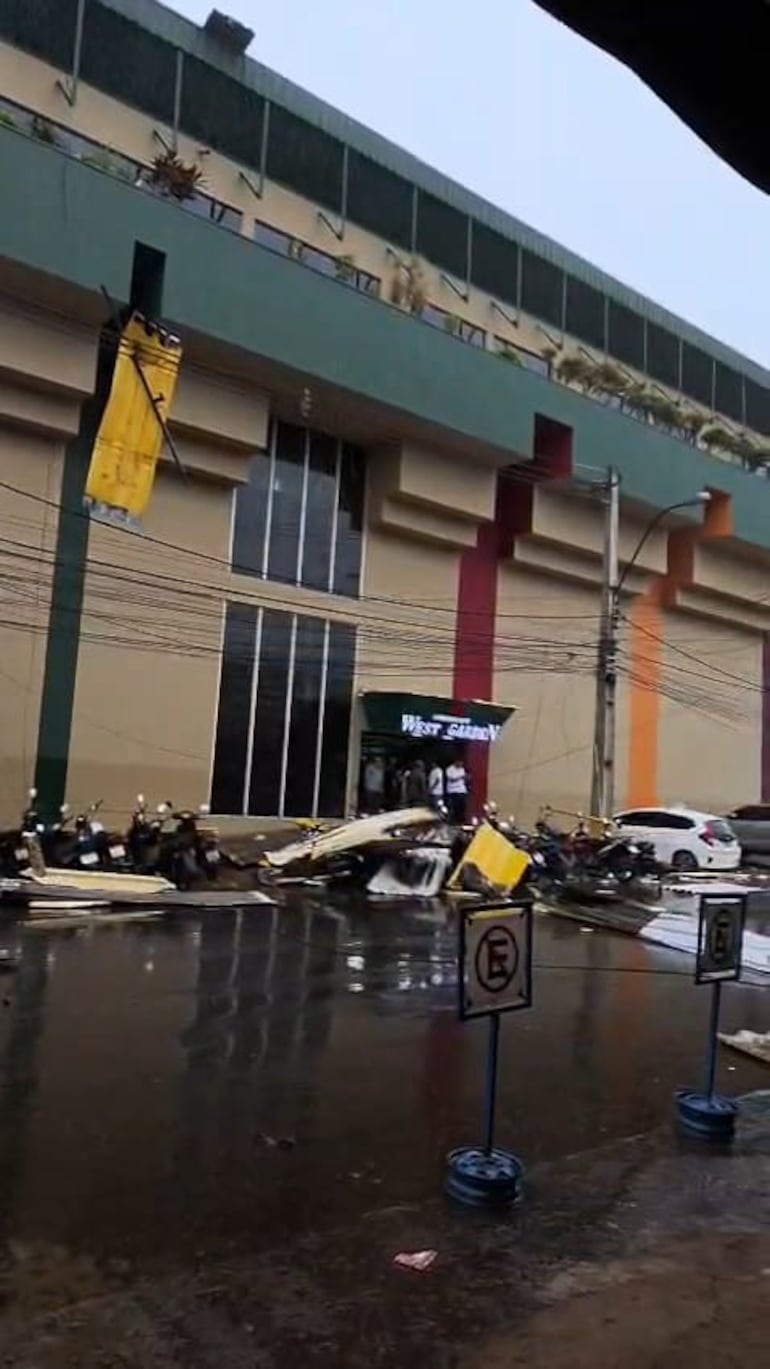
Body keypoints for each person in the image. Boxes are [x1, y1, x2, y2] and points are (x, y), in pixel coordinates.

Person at [445, 757, 469, 825]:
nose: (461, 764)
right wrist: (461, 776)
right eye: (460, 763)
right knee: (454, 807)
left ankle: (461, 821)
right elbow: (452, 778)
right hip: (453, 791)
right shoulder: (449, 769)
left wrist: (466, 778)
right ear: (456, 762)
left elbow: (464, 778)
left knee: (462, 807)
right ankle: (453, 821)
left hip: (462, 790)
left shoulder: (462, 769)